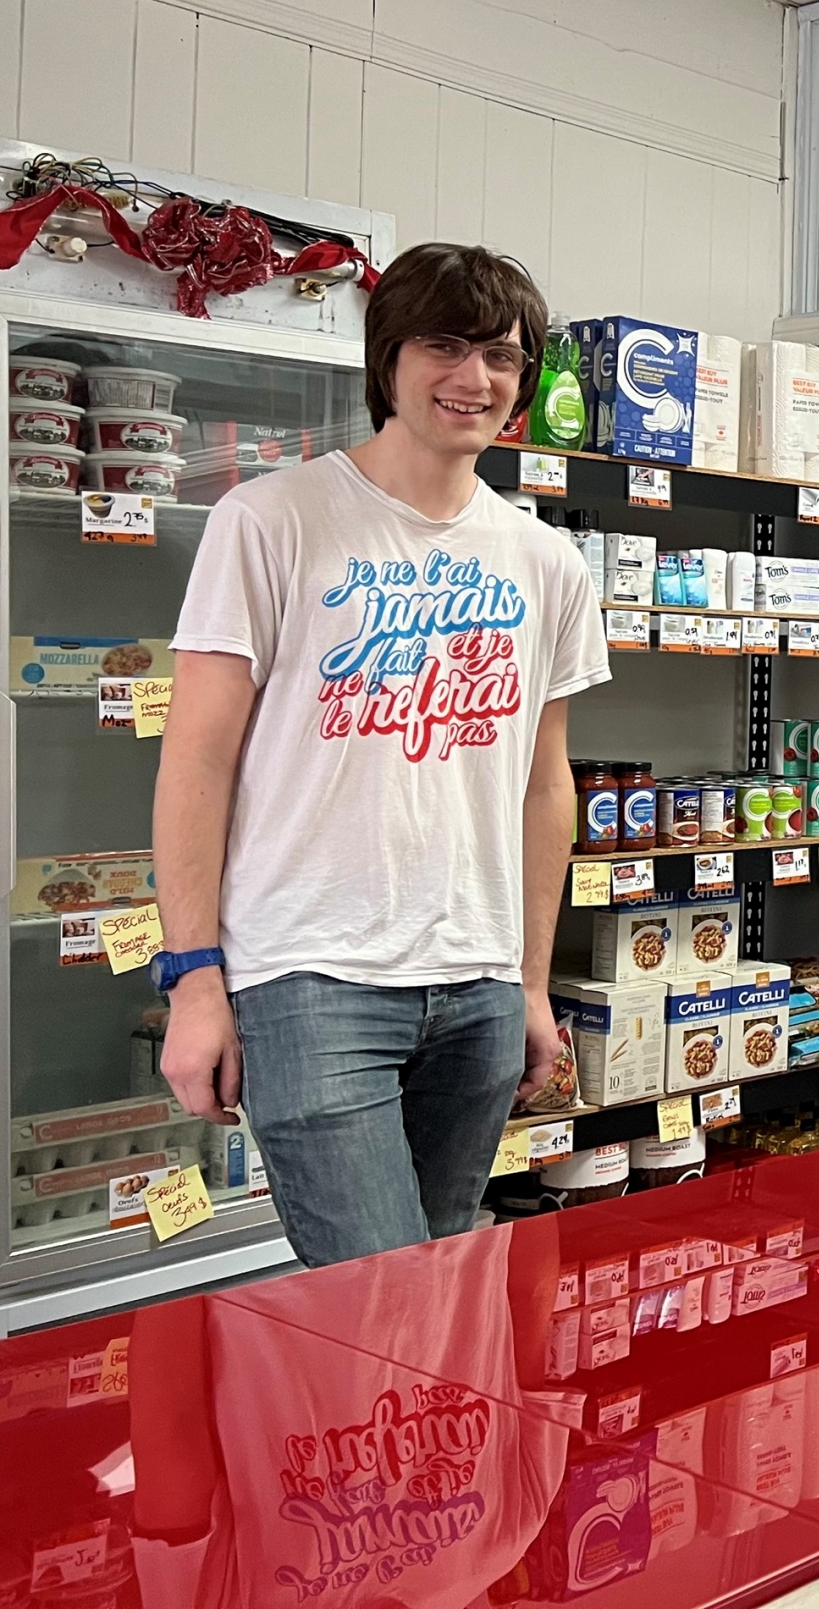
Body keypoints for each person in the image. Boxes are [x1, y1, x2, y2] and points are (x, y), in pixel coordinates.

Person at [153, 243, 609, 1268]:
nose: (474, 378)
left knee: (434, 1294)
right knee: (376, 1297)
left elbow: (545, 787)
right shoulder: (270, 520)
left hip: (479, 982)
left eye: (501, 355)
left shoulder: (546, 560)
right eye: (443, 345)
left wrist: (531, 982)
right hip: (309, 977)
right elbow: (196, 763)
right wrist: (192, 982)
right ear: (388, 360)